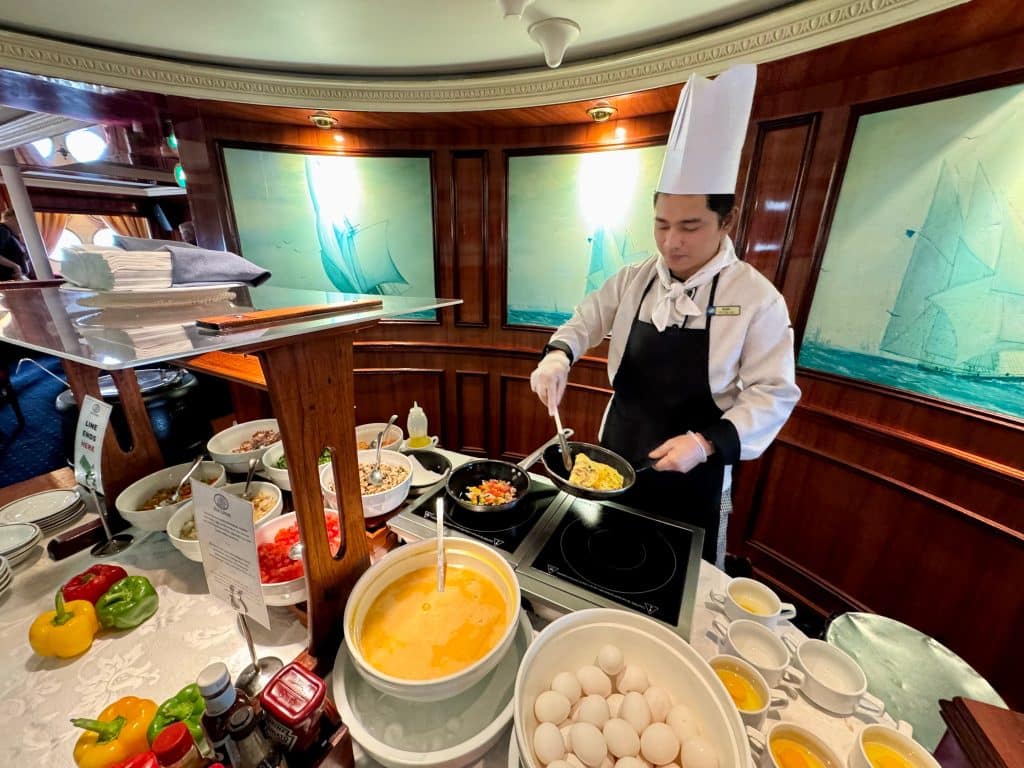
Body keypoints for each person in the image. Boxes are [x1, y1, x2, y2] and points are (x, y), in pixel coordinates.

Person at [529, 64, 800, 566]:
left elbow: (774, 394)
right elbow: (586, 319)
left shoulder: (758, 298)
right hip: (616, 450)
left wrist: (705, 443)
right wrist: (558, 357)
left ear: (727, 221)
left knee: (677, 575)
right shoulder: (635, 278)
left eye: (691, 227)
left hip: (695, 472)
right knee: (600, 555)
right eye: (662, 224)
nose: (672, 242)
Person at [0, 210, 31, 280]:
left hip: (16, 278)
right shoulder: (2, 230)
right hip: (8, 279)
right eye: (18, 221)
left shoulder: (11, 235)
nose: (21, 225)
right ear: (9, 218)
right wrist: (15, 267)